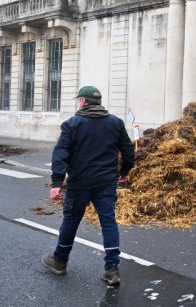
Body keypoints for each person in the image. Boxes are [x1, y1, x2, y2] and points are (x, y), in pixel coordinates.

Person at [42, 86, 134, 286]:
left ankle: (59, 261)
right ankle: (111, 270)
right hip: (106, 182)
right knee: (108, 222)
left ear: (83, 101)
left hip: (79, 183)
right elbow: (129, 151)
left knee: (71, 221)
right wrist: (124, 172)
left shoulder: (72, 124)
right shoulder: (115, 123)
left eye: (79, 100)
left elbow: (60, 154)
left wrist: (57, 182)